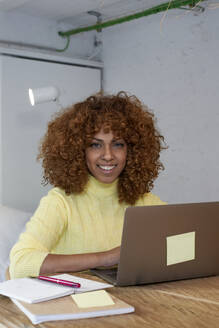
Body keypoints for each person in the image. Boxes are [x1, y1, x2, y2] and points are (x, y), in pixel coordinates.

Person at [9, 91, 166, 279]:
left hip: (133, 302)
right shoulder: (60, 202)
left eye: (118, 144)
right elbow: (20, 264)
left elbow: (186, 249)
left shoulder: (146, 202)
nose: (108, 155)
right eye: (95, 145)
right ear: (78, 150)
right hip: (73, 303)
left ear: (132, 150)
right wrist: (106, 258)